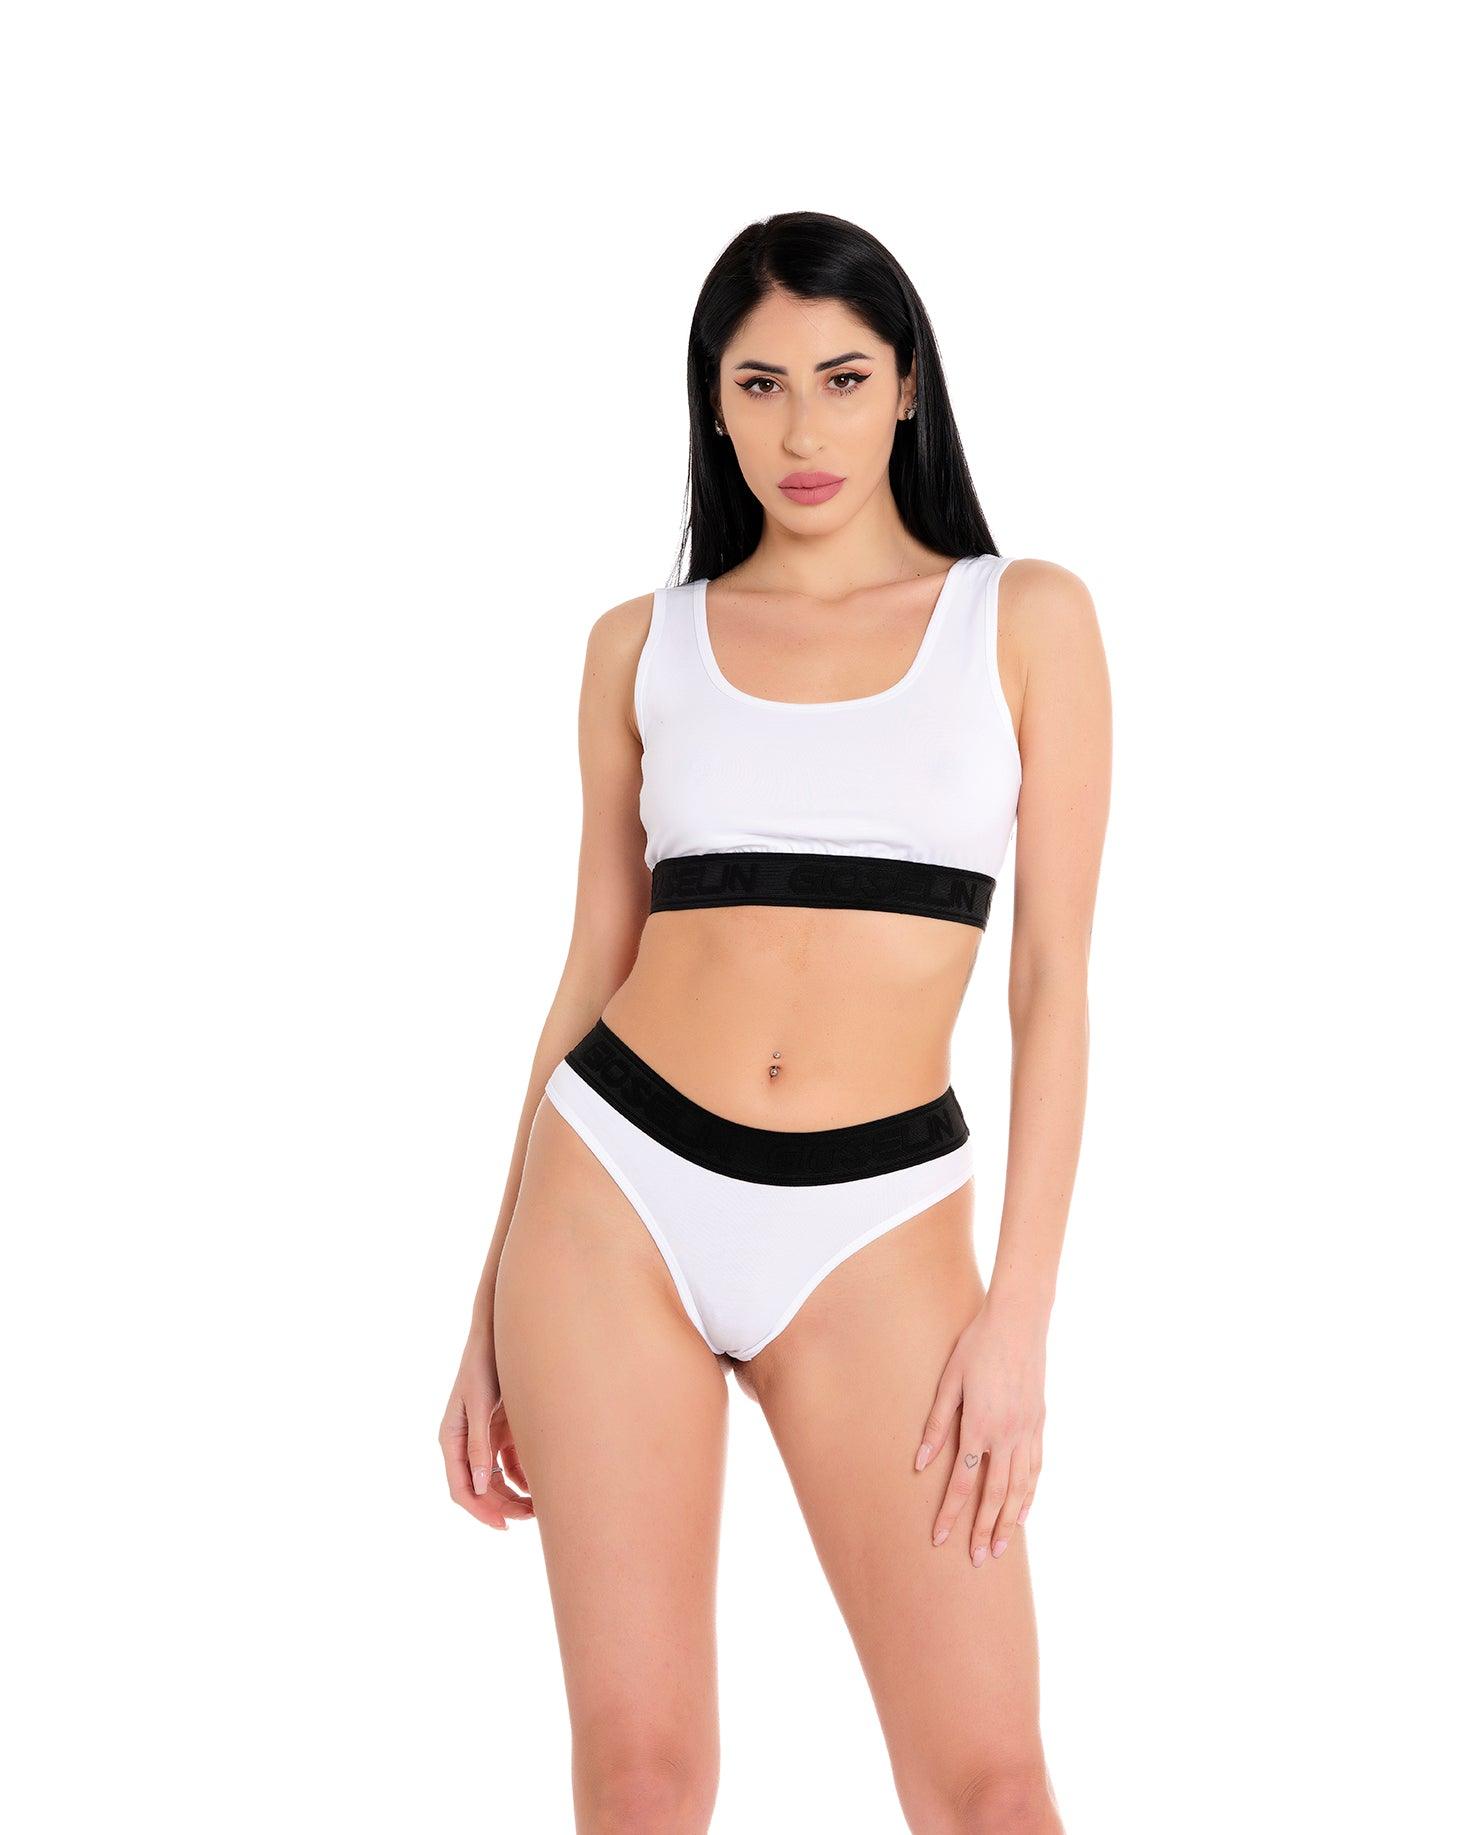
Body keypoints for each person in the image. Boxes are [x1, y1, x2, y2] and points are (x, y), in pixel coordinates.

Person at [439, 210, 1111, 1834]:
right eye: (760, 384)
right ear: (714, 403)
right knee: (644, 1779)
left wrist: (1019, 1320)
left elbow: (1051, 985)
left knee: (991, 1785)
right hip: (614, 1195)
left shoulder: (1024, 619)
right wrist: (484, 1309)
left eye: (841, 376)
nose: (803, 428)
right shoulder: (639, 646)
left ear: (907, 386)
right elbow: (589, 970)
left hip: (877, 1226)